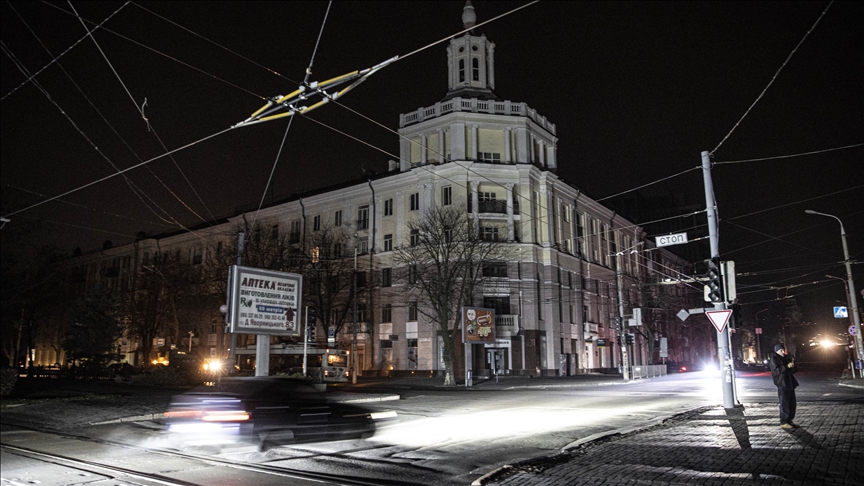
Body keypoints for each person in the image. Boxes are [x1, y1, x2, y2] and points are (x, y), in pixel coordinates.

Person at [769, 343, 799, 429]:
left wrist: (793, 366)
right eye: (780, 350)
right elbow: (777, 371)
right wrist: (787, 366)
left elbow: (793, 370)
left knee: (792, 403)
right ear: (777, 351)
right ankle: (784, 421)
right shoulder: (774, 359)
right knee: (784, 403)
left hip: (790, 382)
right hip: (782, 383)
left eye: (783, 350)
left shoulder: (786, 358)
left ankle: (789, 420)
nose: (782, 352)